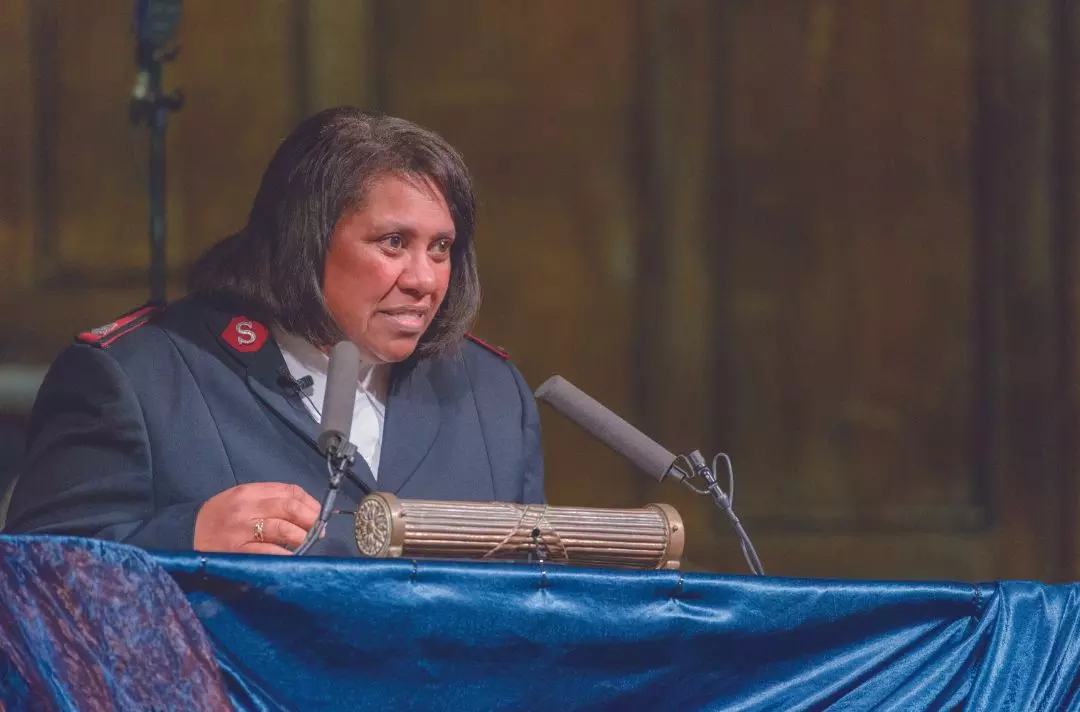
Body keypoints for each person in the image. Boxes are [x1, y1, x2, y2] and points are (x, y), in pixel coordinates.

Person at [5, 107, 545, 557]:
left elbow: (538, 599)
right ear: (304, 240)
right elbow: (35, 583)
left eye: (441, 248)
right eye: (393, 243)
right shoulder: (136, 377)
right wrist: (183, 538)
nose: (424, 280)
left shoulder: (492, 394)